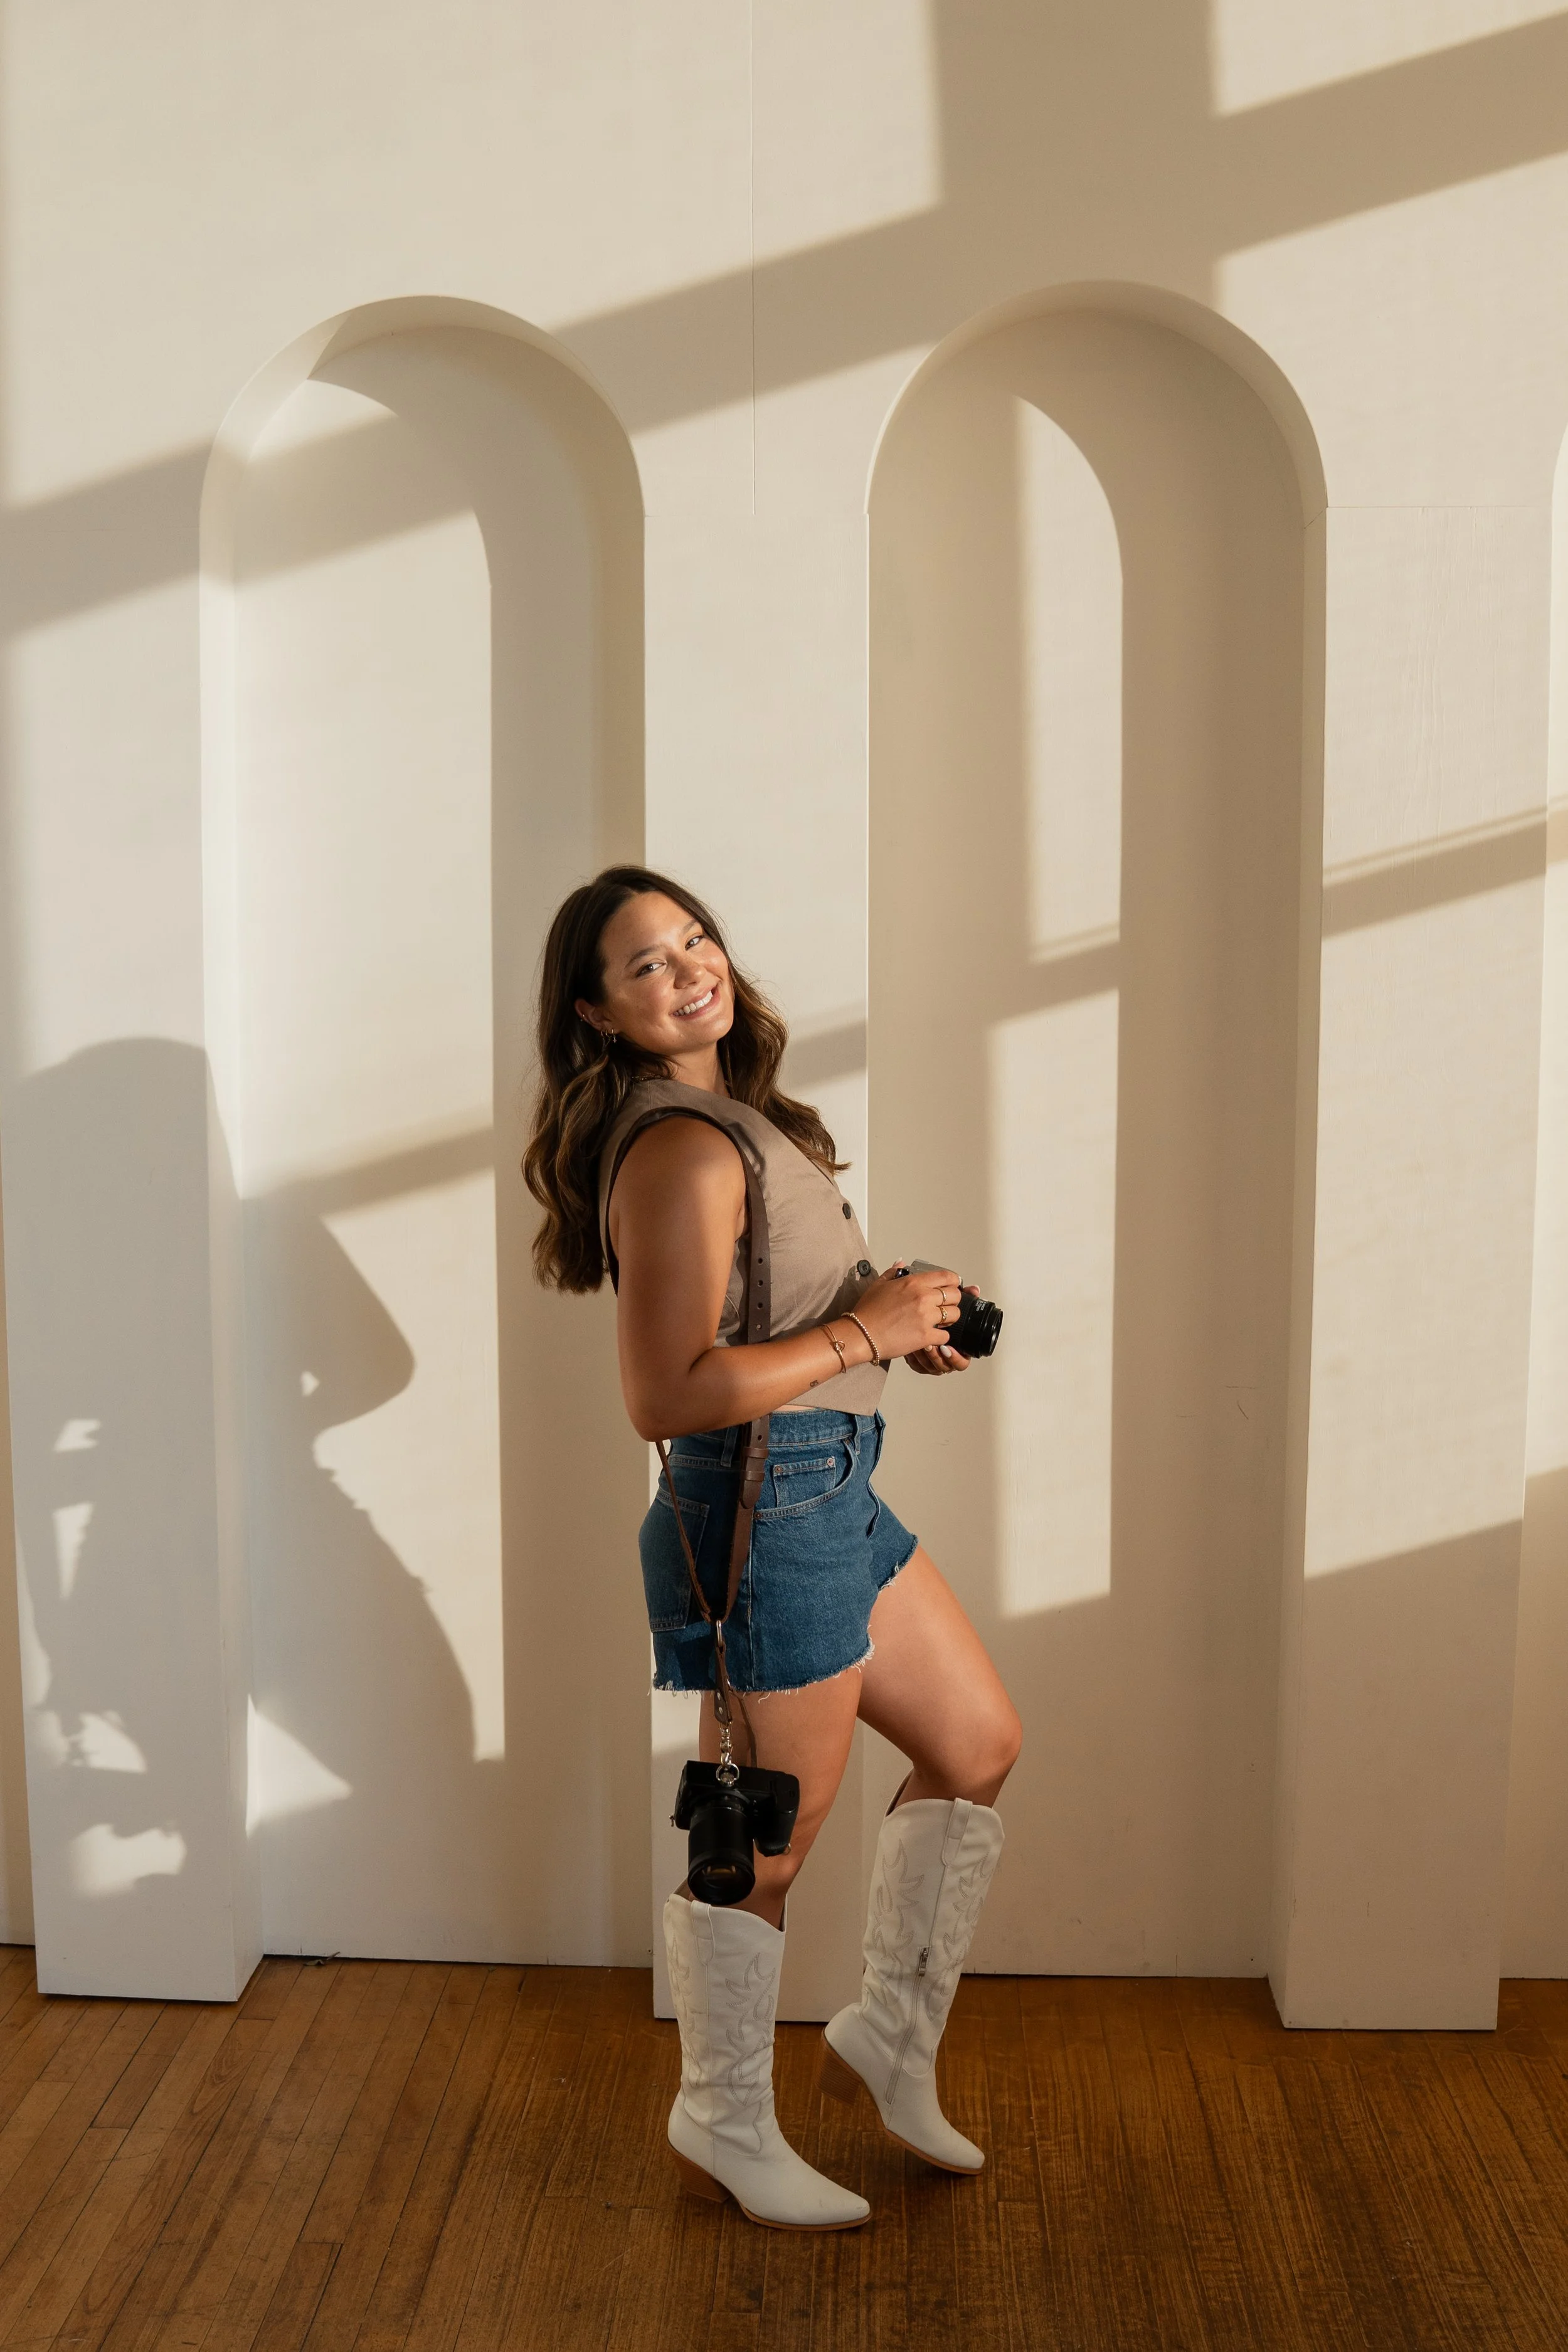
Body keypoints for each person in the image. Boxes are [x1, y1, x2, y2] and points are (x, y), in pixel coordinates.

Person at [524, 865, 1021, 2232]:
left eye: (694, 940)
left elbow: (768, 1332)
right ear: (597, 1012)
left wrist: (879, 1327)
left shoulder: (738, 1120)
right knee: (758, 1840)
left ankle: (886, 2039)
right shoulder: (676, 1146)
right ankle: (724, 2112)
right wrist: (858, 1333)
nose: (688, 968)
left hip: (832, 1483)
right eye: (643, 964)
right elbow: (669, 1392)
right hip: (757, 1511)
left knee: (973, 1742)